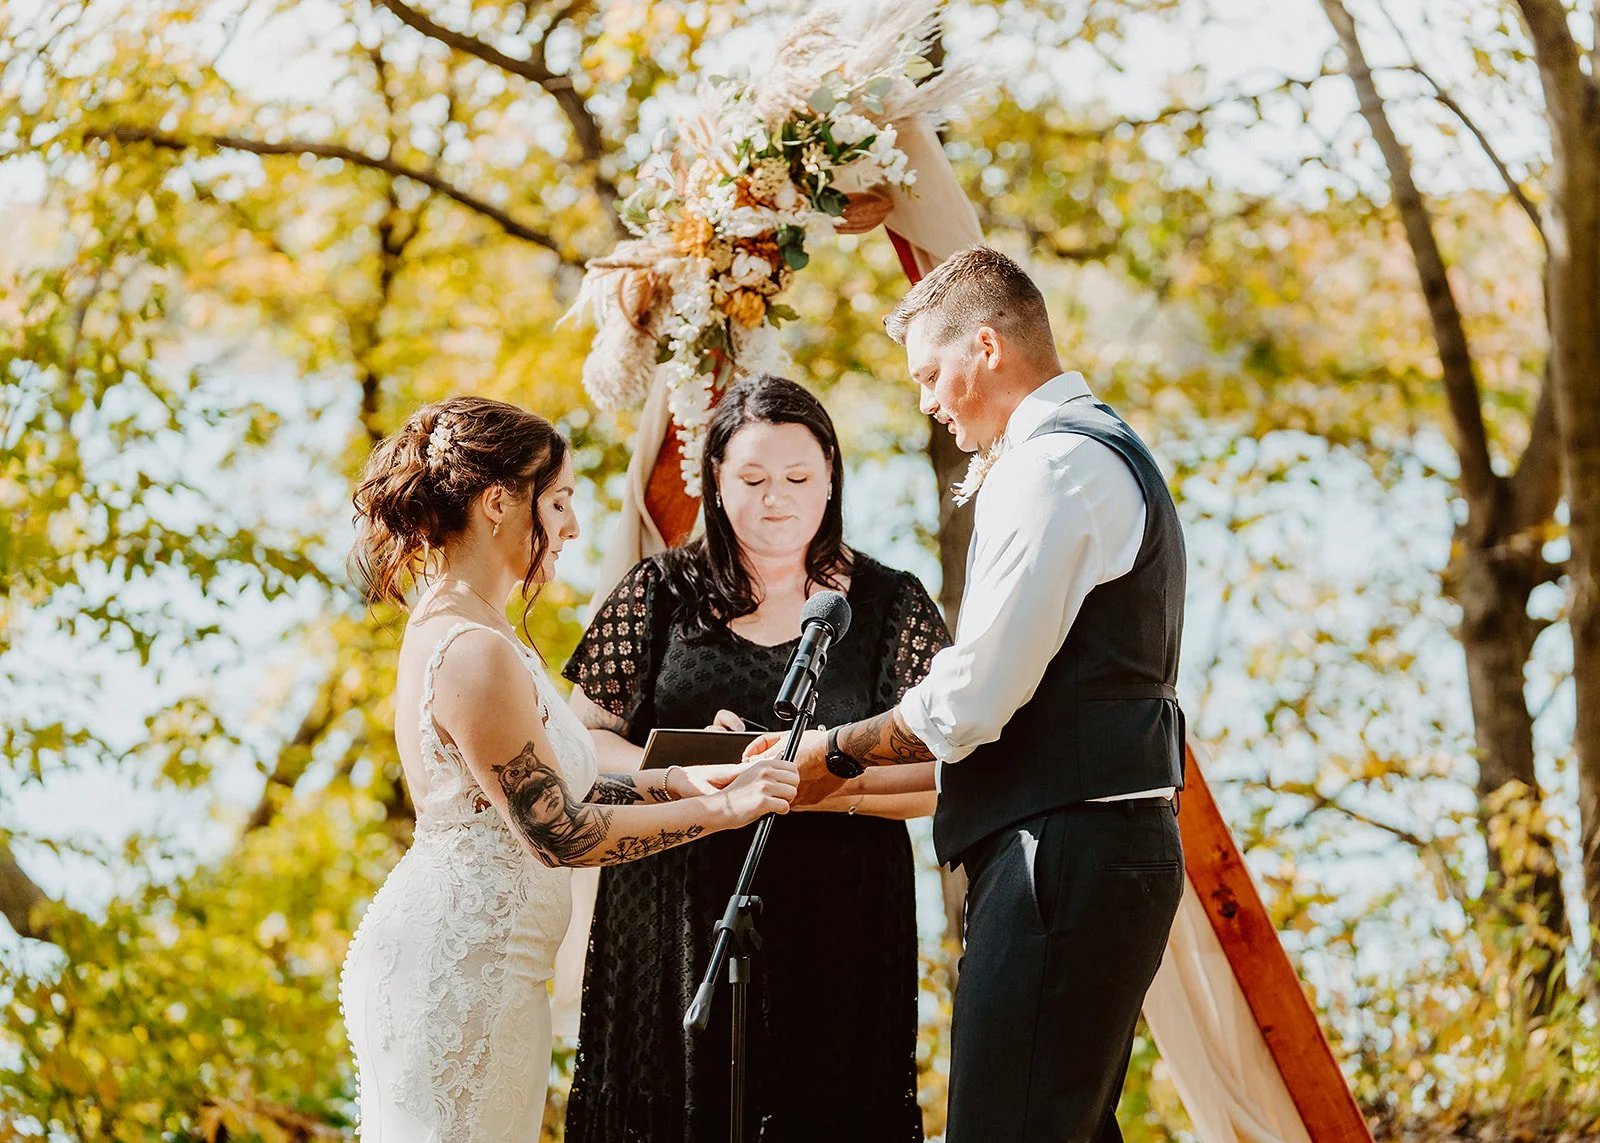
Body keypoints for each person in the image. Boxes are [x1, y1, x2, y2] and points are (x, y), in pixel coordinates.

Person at [753, 247, 1188, 1143]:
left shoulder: (1051, 467)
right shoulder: (1101, 447)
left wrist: (836, 750)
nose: (926, 400)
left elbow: (974, 698)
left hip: (1060, 855)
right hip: (1098, 845)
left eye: (929, 374)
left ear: (986, 346)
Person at [337, 395, 799, 1142]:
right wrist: (723, 811)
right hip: (461, 968)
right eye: (558, 502)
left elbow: (551, 788)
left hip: (496, 966)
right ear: (498, 502)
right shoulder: (471, 649)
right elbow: (558, 831)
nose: (574, 526)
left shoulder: (479, 629)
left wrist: (679, 778)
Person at [561, 374, 950, 1143]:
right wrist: (690, 769)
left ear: (832, 474)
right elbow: (584, 745)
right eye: (752, 478)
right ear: (715, 478)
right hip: (672, 910)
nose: (777, 499)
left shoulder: (892, 603)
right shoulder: (657, 590)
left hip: (840, 919)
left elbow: (948, 766)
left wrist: (823, 781)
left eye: (799, 478)